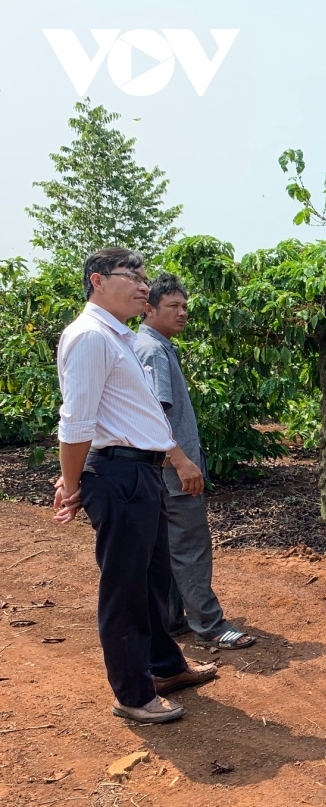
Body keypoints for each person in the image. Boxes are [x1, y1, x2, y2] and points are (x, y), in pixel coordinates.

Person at [54, 248, 218, 724]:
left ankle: (164, 668)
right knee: (124, 587)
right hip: (119, 474)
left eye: (145, 278)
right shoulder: (88, 336)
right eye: (134, 276)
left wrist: (172, 457)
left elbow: (135, 414)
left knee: (152, 578)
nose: (144, 286)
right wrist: (72, 482)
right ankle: (132, 693)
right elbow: (77, 419)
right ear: (98, 280)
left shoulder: (117, 337)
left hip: (138, 470)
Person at [135, 273, 256, 650]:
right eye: (173, 306)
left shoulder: (157, 345)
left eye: (185, 306)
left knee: (170, 546)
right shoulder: (152, 349)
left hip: (163, 467)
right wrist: (181, 461)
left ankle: (172, 619)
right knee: (190, 546)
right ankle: (211, 627)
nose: (183, 313)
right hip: (173, 469)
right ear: (149, 308)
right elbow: (155, 411)